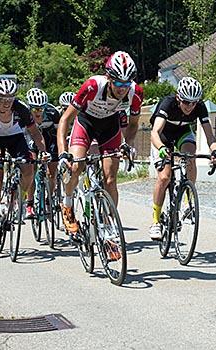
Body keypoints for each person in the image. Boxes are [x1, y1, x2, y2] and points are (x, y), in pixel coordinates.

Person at [57, 51, 143, 244]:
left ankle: (109, 226)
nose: (122, 88)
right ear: (108, 77)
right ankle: (68, 203)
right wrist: (63, 153)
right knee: (76, 167)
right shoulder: (93, 86)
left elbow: (134, 124)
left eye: (126, 83)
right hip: (85, 124)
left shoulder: (135, 92)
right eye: (118, 83)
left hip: (109, 128)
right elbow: (65, 120)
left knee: (110, 179)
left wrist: (127, 145)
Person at [149, 77, 216, 240]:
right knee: (164, 176)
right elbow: (155, 132)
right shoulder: (168, 103)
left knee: (190, 156)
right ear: (178, 98)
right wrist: (161, 148)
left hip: (182, 133)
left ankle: (189, 202)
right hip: (163, 136)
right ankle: (155, 221)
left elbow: (210, 135)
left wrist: (215, 151)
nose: (190, 106)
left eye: (194, 102)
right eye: (187, 102)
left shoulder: (199, 108)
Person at [0, 78, 49, 244]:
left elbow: (35, 133)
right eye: (3, 99)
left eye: (10, 99)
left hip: (15, 138)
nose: (7, 103)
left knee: (28, 170)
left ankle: (20, 199)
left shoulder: (22, 108)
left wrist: (44, 152)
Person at [25, 87, 60, 217]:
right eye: (35, 109)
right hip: (30, 135)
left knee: (52, 172)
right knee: (31, 168)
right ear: (29, 107)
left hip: (49, 137)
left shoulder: (53, 113)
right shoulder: (24, 113)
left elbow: (58, 134)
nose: (39, 112)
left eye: (42, 108)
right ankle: (29, 203)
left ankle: (48, 199)